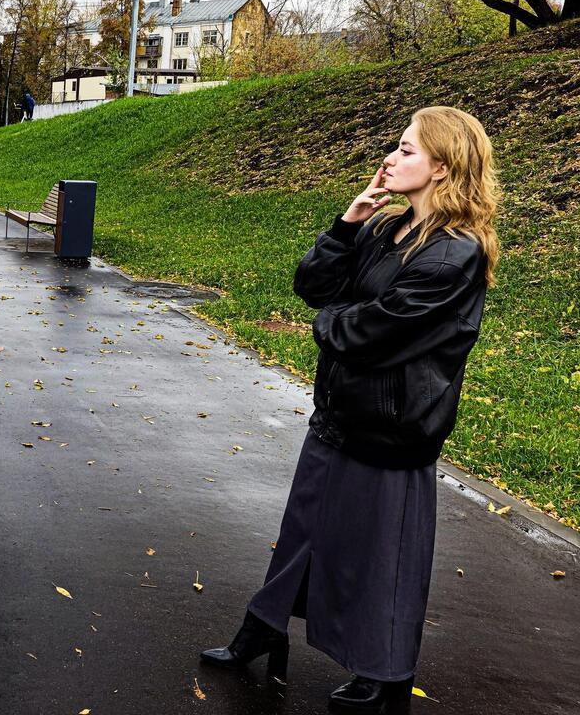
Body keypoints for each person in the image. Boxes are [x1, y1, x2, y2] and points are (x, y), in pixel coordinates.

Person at [200, 106, 501, 714]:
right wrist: (347, 224)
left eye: (407, 149)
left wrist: (329, 322)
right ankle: (265, 628)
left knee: (385, 553)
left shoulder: (454, 255)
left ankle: (386, 674)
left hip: (393, 428)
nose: (390, 157)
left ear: (443, 167)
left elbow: (365, 332)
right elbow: (313, 286)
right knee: (303, 531)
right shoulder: (387, 228)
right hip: (340, 414)